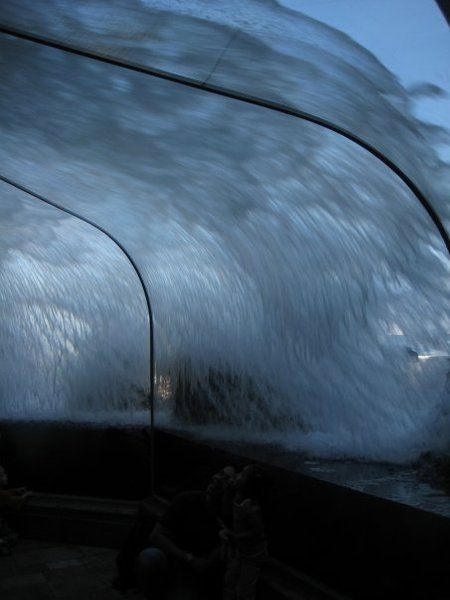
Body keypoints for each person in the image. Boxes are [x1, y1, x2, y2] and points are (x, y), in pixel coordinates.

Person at [134, 466, 236, 600]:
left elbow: (211, 565)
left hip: (197, 577)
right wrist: (190, 559)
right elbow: (156, 536)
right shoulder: (186, 500)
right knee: (148, 558)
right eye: (220, 473)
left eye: (227, 480)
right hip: (174, 563)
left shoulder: (234, 520)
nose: (217, 479)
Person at [220, 464, 268, 600]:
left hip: (252, 555)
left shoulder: (251, 507)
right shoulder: (237, 496)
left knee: (244, 590)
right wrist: (227, 491)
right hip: (239, 551)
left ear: (248, 485)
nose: (237, 475)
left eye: (242, 474)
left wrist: (236, 536)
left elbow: (258, 530)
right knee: (228, 580)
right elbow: (225, 511)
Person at [0, 464, 32, 555]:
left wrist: (14, 490)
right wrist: (26, 495)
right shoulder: (3, 495)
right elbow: (17, 501)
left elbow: (4, 493)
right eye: (2, 474)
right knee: (13, 536)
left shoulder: (2, 493)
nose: (6, 476)